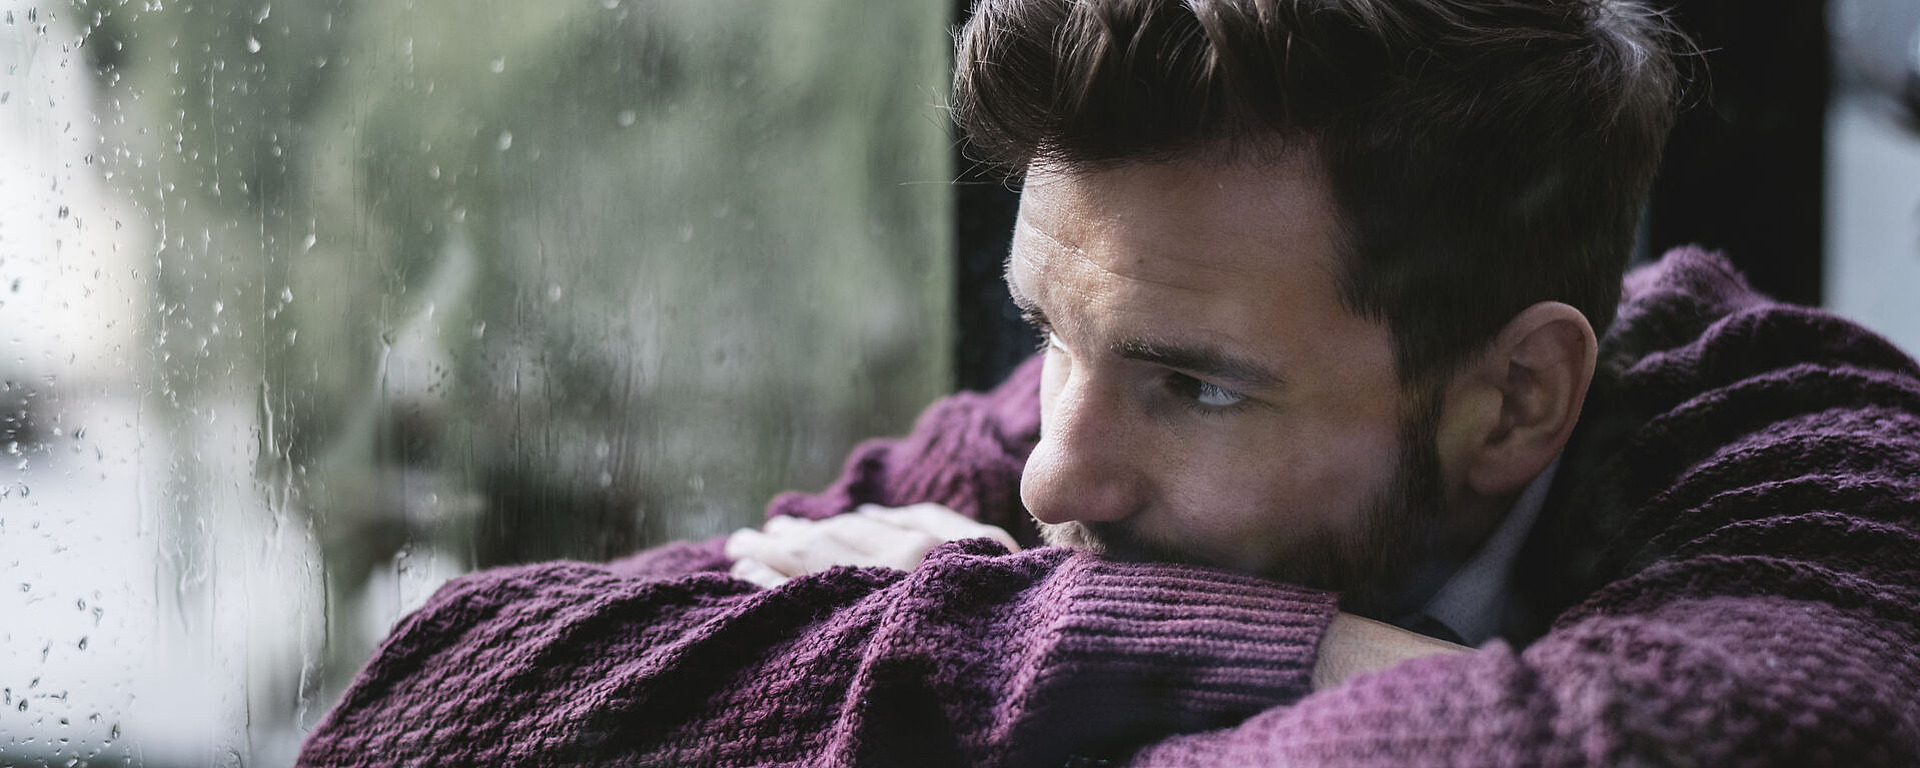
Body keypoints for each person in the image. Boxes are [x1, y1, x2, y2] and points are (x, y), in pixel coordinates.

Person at [295, 0, 1920, 765]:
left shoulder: (1812, 460)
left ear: (1510, 405)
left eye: (1195, 389)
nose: (1059, 478)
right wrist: (1145, 636)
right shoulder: (1052, 447)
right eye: (1047, 333)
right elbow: (420, 717)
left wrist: (925, 664)